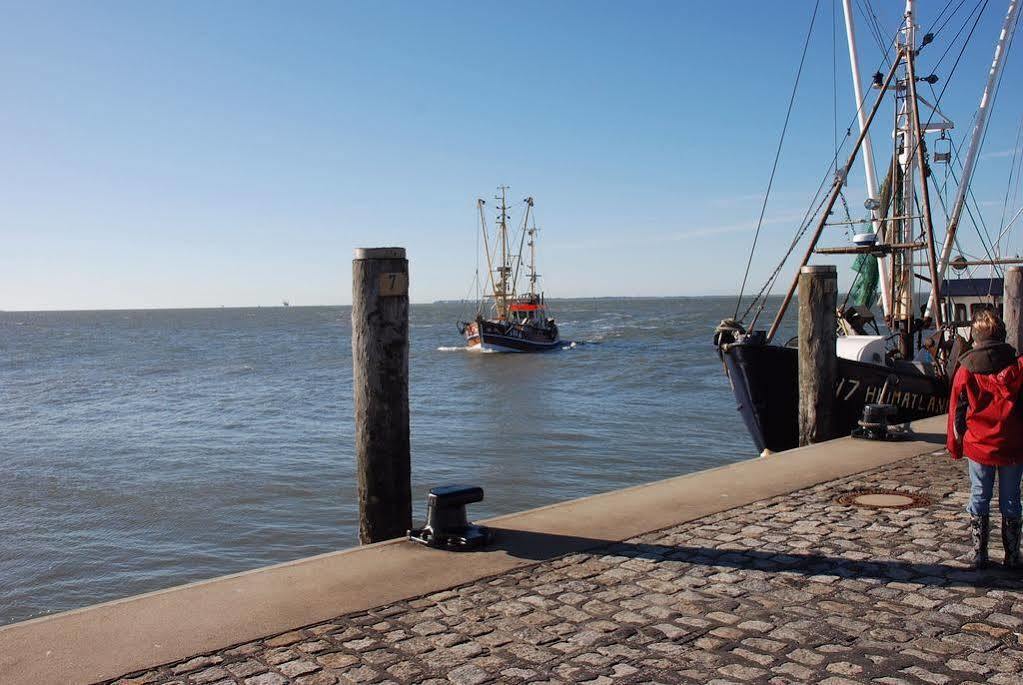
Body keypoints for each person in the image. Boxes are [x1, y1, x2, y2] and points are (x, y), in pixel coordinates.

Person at [947, 308, 1023, 570]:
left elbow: (958, 409)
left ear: (975, 337)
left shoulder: (966, 369)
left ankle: (979, 554)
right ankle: (1012, 556)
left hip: (980, 444)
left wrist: (959, 438)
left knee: (979, 495)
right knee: (1012, 499)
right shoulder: (1017, 367)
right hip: (1012, 443)